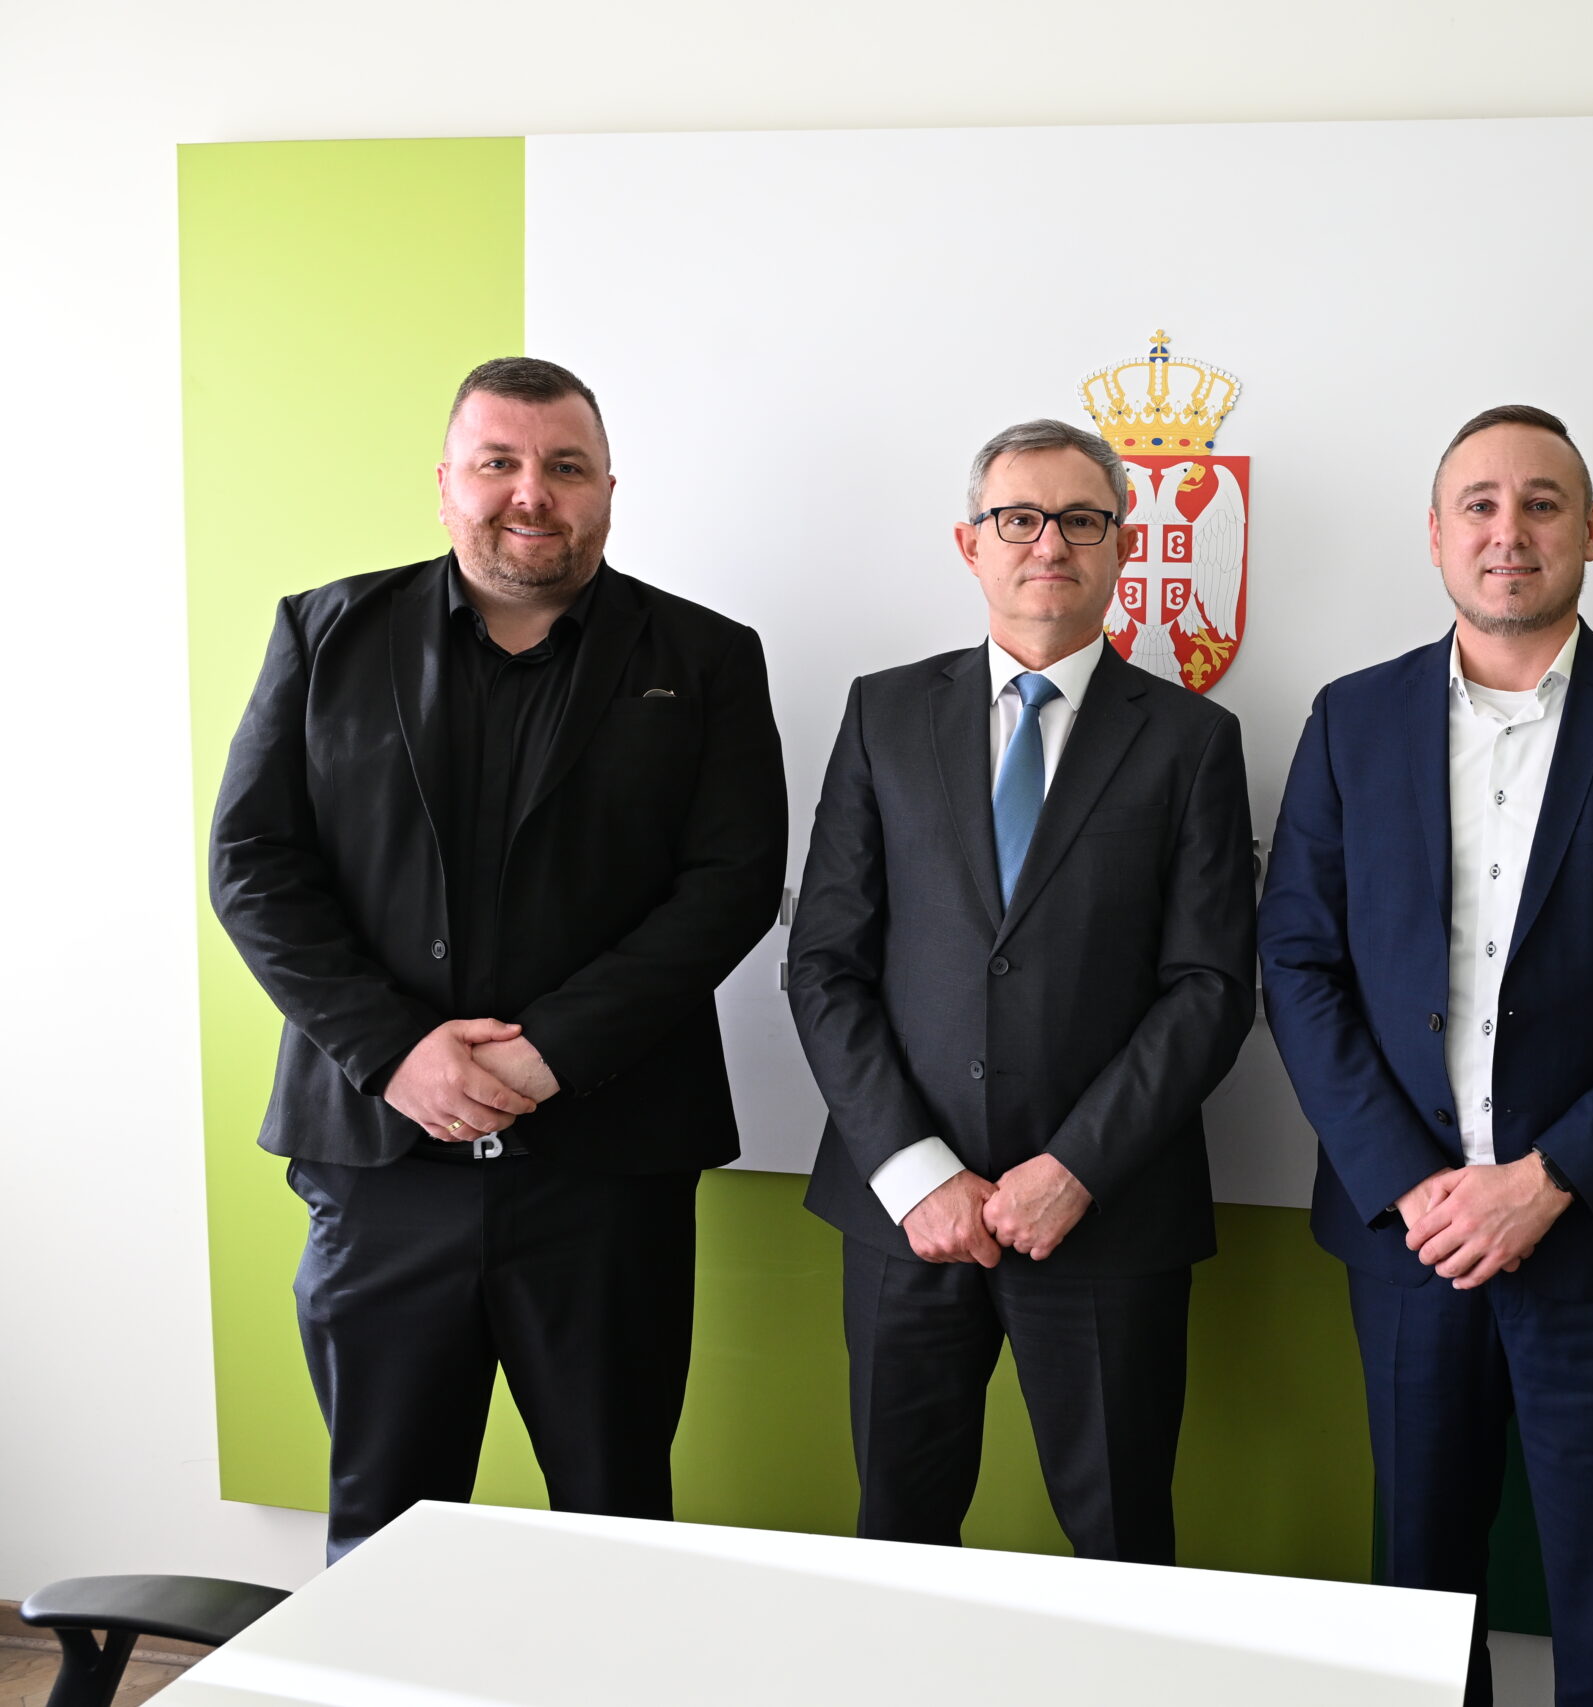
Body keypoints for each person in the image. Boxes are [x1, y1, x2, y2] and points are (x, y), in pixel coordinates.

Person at [209, 357, 789, 1560]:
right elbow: (253, 866)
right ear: (446, 484)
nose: (533, 491)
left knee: (617, 1525)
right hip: (380, 1164)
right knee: (385, 1533)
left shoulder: (707, 656)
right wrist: (393, 1053)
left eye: (566, 466)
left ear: (608, 489)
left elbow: (729, 885)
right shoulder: (325, 632)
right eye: (499, 462)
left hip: (609, 1165)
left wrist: (551, 1053)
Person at [1259, 405, 1593, 1707]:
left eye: (1541, 503)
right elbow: (1298, 966)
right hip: (1409, 1240)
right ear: (1435, 534)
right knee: (1418, 1601)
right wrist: (1410, 1183)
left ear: (1590, 530)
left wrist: (1548, 1179)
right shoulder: (1351, 719)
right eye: (1478, 504)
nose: (1508, 530)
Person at [788, 417, 1257, 1563]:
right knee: (896, 1540)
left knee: (1121, 1546)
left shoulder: (1194, 740)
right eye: (1018, 518)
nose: (1050, 543)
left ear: (1122, 546)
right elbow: (826, 961)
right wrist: (918, 1174)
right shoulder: (883, 713)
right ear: (972, 543)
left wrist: (1073, 1170)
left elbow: (1207, 987)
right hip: (905, 1216)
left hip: (1106, 1215)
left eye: (1082, 520)